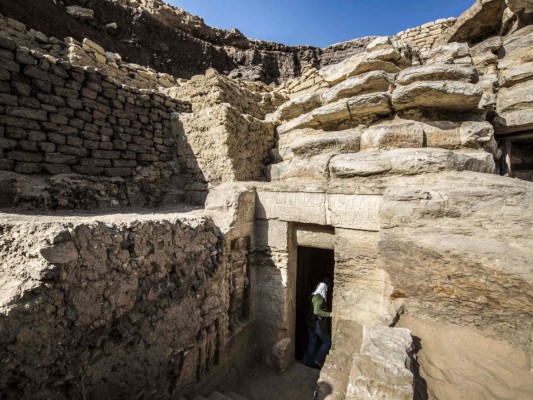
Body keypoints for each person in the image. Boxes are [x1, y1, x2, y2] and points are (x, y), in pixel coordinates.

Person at [305, 278, 332, 369]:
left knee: (312, 342)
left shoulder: (312, 296)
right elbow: (316, 311)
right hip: (317, 324)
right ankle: (318, 361)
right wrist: (329, 314)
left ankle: (309, 362)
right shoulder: (320, 298)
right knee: (327, 342)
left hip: (310, 323)